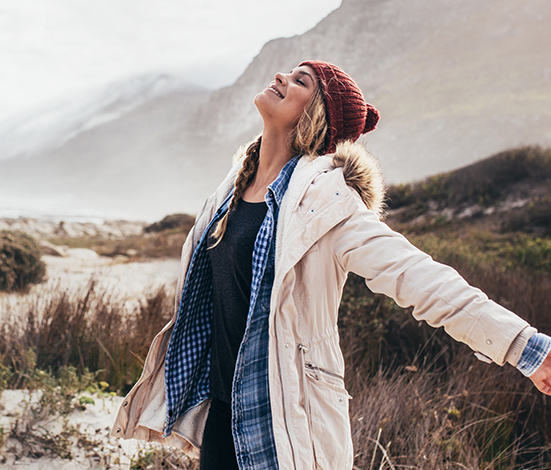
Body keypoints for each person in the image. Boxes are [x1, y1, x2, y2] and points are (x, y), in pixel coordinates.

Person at [111, 61, 551, 470]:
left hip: (286, 425)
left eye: (301, 81)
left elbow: (420, 278)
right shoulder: (230, 190)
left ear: (317, 117)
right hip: (223, 417)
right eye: (290, 72)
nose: (282, 77)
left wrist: (527, 349)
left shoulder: (330, 206)